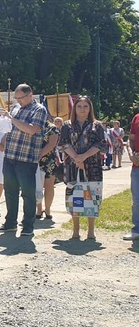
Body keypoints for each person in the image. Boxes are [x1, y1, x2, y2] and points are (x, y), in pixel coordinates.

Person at [0, 84, 49, 237]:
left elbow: (32, 129)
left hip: (26, 157)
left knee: (27, 193)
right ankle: (10, 222)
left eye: (21, 98)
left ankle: (28, 225)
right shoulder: (16, 108)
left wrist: (11, 119)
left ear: (30, 95)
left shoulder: (39, 109)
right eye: (16, 98)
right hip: (10, 156)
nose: (18, 101)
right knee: (10, 191)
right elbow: (10, 129)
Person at [58, 96, 108, 240]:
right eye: (79, 106)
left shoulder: (96, 125)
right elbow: (63, 143)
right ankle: (75, 230)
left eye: (85, 106)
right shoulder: (67, 125)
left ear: (90, 108)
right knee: (75, 197)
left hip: (93, 167)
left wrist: (84, 156)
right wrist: (76, 158)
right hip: (72, 167)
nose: (82, 109)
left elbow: (101, 144)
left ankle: (91, 230)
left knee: (93, 196)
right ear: (75, 108)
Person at [35, 121, 59, 220]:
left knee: (49, 185)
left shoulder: (52, 128)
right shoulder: (32, 125)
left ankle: (48, 209)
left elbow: (51, 144)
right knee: (37, 186)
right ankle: (39, 209)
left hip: (49, 160)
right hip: (34, 160)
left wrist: (40, 155)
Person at [123, 111, 139, 241]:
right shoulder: (137, 118)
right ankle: (137, 229)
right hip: (137, 167)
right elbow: (131, 140)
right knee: (137, 200)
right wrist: (130, 153)